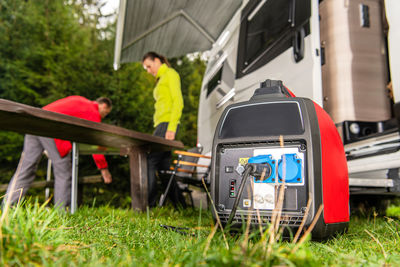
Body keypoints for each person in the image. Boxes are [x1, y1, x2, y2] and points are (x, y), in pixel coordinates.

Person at [4, 96, 113, 208]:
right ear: (104, 106)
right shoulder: (93, 111)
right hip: (51, 128)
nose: (103, 116)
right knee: (64, 172)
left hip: (35, 122)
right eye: (105, 113)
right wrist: (103, 169)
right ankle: (61, 212)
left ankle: (8, 207)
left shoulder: (79, 99)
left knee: (25, 168)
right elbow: (95, 142)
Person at [142, 52, 186, 208]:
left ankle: (148, 205)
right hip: (161, 124)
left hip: (167, 124)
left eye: (149, 66)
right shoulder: (161, 79)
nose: (148, 70)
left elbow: (178, 101)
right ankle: (180, 205)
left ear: (157, 60)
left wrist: (172, 127)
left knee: (149, 162)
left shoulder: (170, 74)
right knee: (164, 166)